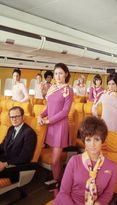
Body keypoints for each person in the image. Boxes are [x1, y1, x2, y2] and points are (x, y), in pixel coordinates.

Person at [47, 116, 117, 205]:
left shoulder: (112, 167)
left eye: (96, 139)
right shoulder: (74, 161)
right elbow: (64, 193)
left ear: (102, 140)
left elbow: (108, 194)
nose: (92, 144)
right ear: (84, 141)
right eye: (88, 140)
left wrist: (98, 204)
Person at [38, 63, 73, 195]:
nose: (58, 76)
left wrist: (48, 120)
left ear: (66, 74)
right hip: (51, 127)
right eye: (56, 73)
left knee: (54, 160)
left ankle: (57, 186)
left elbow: (65, 112)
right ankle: (57, 184)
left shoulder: (68, 90)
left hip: (59, 127)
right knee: (56, 161)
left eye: (61, 73)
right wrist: (40, 115)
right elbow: (48, 108)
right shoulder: (52, 88)